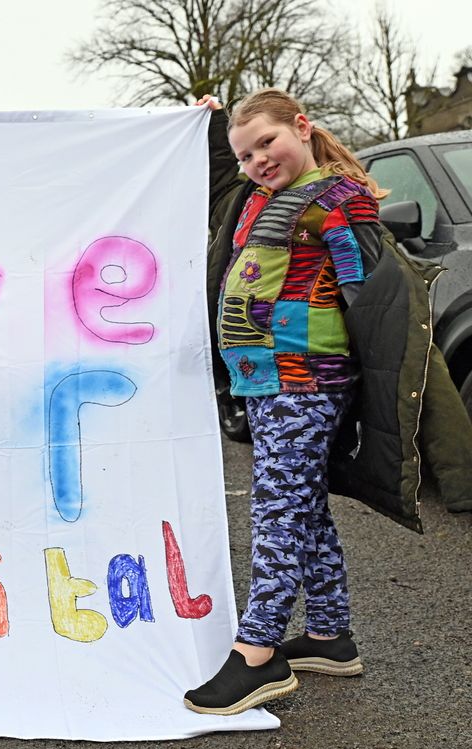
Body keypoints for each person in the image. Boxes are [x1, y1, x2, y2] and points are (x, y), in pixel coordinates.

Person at [183, 89, 386, 716]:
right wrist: (213, 126)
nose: (257, 161)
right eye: (246, 155)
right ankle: (330, 635)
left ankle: (259, 654)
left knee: (277, 508)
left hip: (306, 377)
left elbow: (367, 292)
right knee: (303, 502)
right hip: (268, 379)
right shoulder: (259, 198)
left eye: (267, 143)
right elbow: (223, 180)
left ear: (302, 126)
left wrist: (364, 383)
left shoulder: (335, 200)